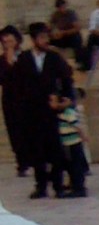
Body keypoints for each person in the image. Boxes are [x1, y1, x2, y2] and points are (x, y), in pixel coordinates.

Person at [14, 23, 74, 199]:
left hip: (51, 111)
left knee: (55, 150)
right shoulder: (24, 59)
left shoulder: (54, 57)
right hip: (31, 112)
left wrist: (64, 99)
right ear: (33, 40)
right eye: (41, 37)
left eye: (46, 37)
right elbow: (17, 85)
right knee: (36, 150)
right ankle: (40, 185)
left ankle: (58, 185)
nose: (45, 40)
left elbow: (66, 79)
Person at [0, 24, 30, 176]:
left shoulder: (26, 57)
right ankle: (22, 162)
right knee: (14, 131)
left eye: (10, 41)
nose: (7, 44)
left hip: (26, 99)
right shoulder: (1, 60)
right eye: (4, 42)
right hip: (10, 100)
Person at [51, 91, 88, 198]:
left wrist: (83, 136)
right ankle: (74, 184)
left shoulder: (68, 113)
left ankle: (79, 188)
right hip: (67, 143)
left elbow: (77, 125)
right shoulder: (60, 113)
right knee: (71, 165)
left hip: (73, 142)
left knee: (76, 165)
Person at [47, 0, 83, 68]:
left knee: (77, 39)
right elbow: (50, 25)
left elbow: (77, 28)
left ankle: (79, 62)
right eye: (60, 8)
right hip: (61, 37)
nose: (63, 9)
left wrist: (65, 32)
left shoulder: (71, 14)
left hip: (71, 35)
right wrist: (52, 33)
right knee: (47, 40)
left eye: (64, 7)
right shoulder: (56, 15)